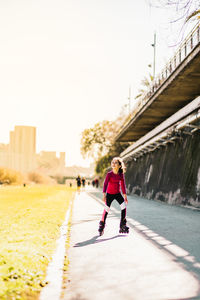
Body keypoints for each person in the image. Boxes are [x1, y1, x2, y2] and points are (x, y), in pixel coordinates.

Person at [98, 157, 129, 236]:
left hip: (117, 194)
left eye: (115, 163)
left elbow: (123, 185)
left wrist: (125, 196)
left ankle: (122, 224)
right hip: (109, 194)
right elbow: (105, 184)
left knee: (123, 207)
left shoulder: (121, 174)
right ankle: (102, 225)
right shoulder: (109, 174)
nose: (113, 164)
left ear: (119, 165)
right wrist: (104, 195)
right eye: (113, 162)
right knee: (107, 209)